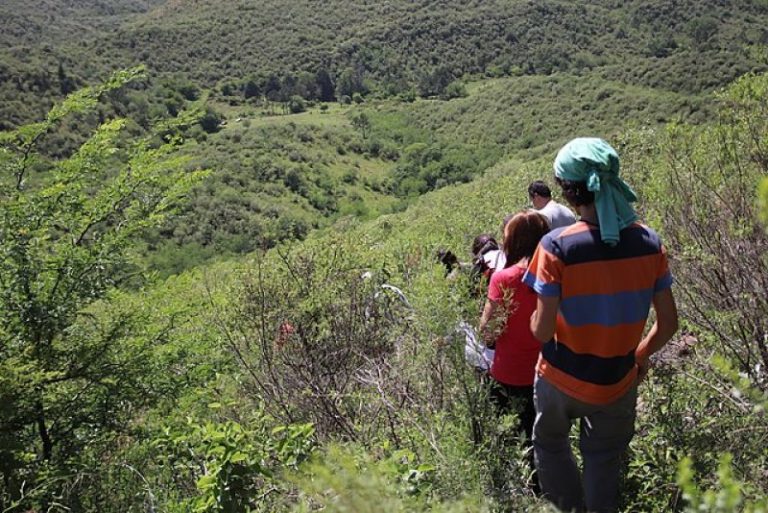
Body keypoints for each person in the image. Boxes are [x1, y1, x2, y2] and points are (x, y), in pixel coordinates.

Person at [524, 138, 679, 513]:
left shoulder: (556, 246)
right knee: (604, 456)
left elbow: (542, 331)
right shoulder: (649, 243)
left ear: (567, 190)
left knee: (551, 444)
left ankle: (568, 508)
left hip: (561, 377)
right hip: (617, 380)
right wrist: (639, 356)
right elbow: (669, 324)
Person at [479, 210, 550, 482]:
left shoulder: (504, 278)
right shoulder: (557, 275)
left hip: (511, 374)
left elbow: (488, 333)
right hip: (550, 373)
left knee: (514, 443)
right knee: (547, 442)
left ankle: (523, 491)